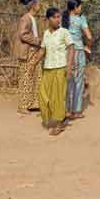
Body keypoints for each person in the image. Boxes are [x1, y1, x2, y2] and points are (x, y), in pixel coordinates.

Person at [34, 8, 74, 136]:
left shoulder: (64, 32)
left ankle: (59, 124)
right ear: (48, 19)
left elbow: (71, 49)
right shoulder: (46, 33)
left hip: (60, 67)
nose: (58, 20)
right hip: (48, 68)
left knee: (58, 97)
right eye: (55, 17)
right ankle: (58, 116)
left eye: (59, 17)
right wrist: (33, 64)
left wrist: (68, 67)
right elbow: (42, 50)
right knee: (43, 95)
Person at [62, 0, 93, 120]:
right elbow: (89, 37)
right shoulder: (81, 19)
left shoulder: (63, 19)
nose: (81, 9)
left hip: (66, 52)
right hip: (78, 51)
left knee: (68, 79)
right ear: (75, 8)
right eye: (80, 7)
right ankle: (77, 110)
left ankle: (67, 109)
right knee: (78, 81)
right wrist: (87, 46)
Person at [15, 0, 42, 115]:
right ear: (33, 5)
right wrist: (37, 41)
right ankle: (22, 106)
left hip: (33, 51)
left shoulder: (32, 18)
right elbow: (23, 34)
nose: (40, 6)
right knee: (26, 77)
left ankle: (32, 103)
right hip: (27, 52)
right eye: (38, 3)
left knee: (35, 76)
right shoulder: (26, 18)